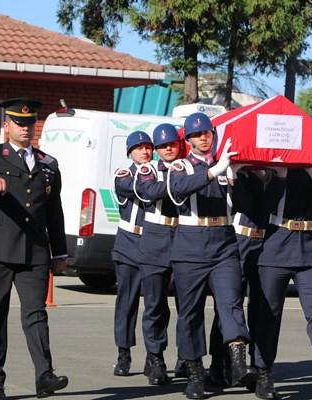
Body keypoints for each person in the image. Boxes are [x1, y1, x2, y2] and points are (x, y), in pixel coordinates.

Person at [0, 98, 68, 400]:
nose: (25, 128)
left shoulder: (48, 164)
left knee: (36, 314)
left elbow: (54, 211)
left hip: (34, 249)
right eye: (19, 123)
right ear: (6, 126)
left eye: (29, 123)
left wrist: (59, 252)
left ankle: (44, 375)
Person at [168, 112, 252, 399]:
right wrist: (215, 171)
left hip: (224, 243)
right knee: (190, 314)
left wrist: (236, 177)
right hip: (191, 245)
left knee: (231, 303)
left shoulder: (225, 165)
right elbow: (178, 189)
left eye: (208, 133)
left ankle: (238, 363)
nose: (204, 138)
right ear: (189, 140)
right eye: (197, 134)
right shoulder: (181, 165)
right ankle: (194, 374)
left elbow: (243, 207)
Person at [252, 164, 312, 399]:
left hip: (310, 246)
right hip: (277, 243)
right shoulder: (278, 169)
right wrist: (280, 177)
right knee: (269, 315)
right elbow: (262, 204)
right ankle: (263, 374)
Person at [207, 165, 276, 388]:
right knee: (228, 307)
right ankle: (219, 365)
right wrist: (237, 173)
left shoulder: (276, 176)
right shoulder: (240, 174)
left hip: (265, 244)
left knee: (259, 310)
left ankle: (256, 368)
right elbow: (243, 204)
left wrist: (275, 177)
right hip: (238, 242)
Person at [132, 123, 182, 385]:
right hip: (155, 238)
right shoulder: (147, 169)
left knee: (187, 305)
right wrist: (181, 183)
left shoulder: (187, 166)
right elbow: (149, 191)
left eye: (172, 143)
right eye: (162, 146)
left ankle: (186, 356)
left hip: (184, 237)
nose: (168, 149)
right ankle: (156, 357)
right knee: (155, 305)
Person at [111, 130, 153, 378]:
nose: (145, 152)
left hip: (153, 244)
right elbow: (141, 190)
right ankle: (123, 353)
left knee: (154, 305)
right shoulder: (124, 174)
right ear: (130, 153)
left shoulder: (161, 173)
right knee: (126, 303)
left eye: (148, 147)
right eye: (139, 148)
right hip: (128, 243)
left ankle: (153, 356)